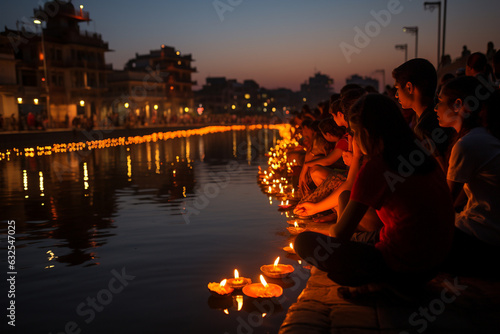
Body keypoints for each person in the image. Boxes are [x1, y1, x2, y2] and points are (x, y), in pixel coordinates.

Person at [294, 94, 455, 298]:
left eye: (354, 133)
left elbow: (339, 235)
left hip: (403, 268)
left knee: (304, 243)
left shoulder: (378, 167)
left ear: (367, 133)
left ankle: (385, 285)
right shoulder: (421, 153)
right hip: (435, 263)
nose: (351, 140)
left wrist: (330, 231)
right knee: (346, 203)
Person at [435, 76, 500, 277]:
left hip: (484, 238)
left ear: (458, 105)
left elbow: (446, 201)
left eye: (439, 101)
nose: (435, 108)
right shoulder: (481, 137)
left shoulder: (468, 144)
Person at [392, 58, 453, 171]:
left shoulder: (425, 127)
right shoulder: (436, 117)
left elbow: (441, 170)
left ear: (409, 87)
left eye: (397, 89)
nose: (396, 95)